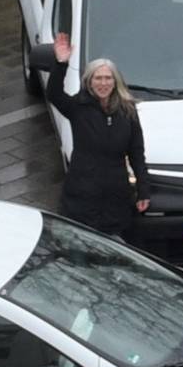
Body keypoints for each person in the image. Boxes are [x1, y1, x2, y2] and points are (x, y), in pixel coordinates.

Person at [45, 32, 150, 239]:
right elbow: (54, 94)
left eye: (108, 78)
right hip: (82, 199)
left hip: (115, 200)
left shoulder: (127, 111)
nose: (103, 83)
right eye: (98, 78)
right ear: (89, 81)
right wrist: (61, 64)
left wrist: (143, 189)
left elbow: (137, 153)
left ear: (115, 81)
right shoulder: (78, 107)